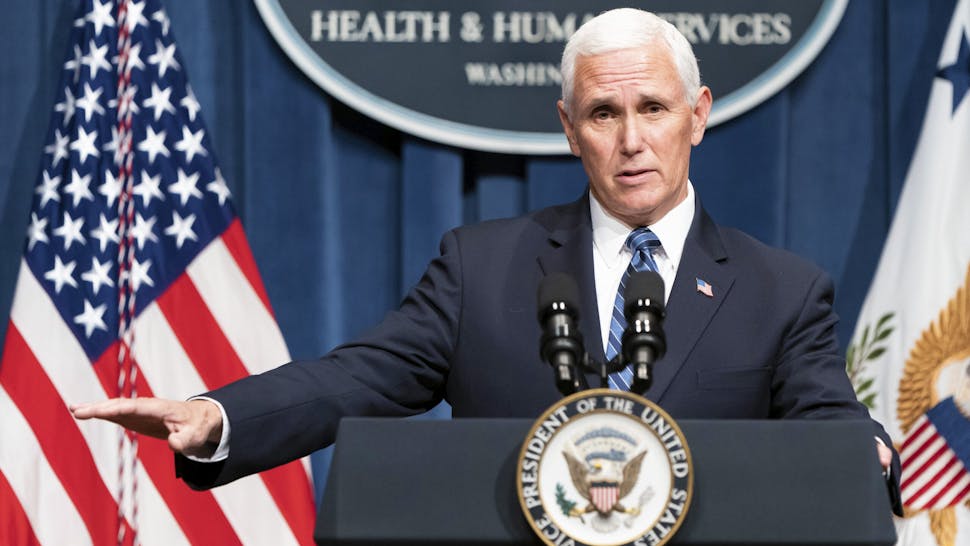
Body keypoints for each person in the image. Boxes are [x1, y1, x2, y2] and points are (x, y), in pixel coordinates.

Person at [73, 8, 901, 513]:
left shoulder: (780, 290)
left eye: (653, 108)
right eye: (604, 113)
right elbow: (355, 377)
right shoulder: (484, 266)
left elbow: (829, 425)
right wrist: (219, 418)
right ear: (569, 129)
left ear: (698, 114)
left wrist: (870, 448)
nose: (633, 139)